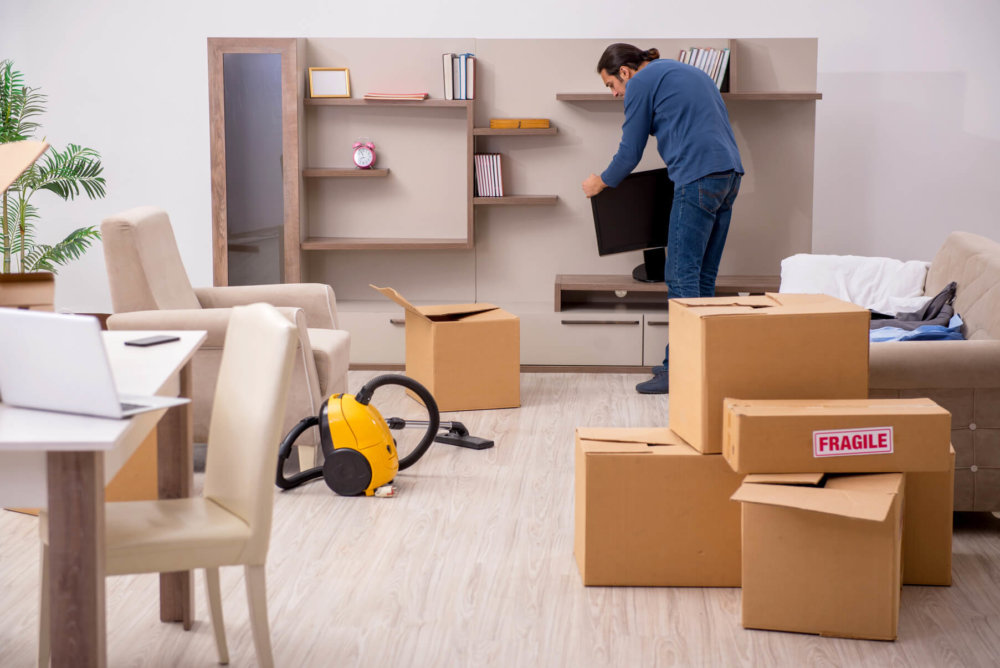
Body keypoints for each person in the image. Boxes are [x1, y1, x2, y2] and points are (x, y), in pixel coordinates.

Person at [582, 43, 743, 395]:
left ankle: (680, 373)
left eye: (611, 85)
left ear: (625, 71)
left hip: (698, 176)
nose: (614, 94)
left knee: (681, 275)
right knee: (702, 278)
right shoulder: (687, 72)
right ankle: (696, 366)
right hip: (729, 175)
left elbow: (630, 151)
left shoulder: (641, 82)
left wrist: (600, 181)